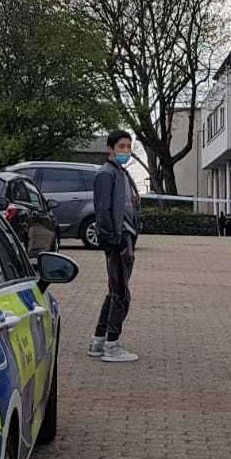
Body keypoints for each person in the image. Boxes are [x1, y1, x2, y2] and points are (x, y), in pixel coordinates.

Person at [89, 130, 141, 362]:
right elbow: (103, 210)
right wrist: (114, 240)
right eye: (121, 146)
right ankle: (112, 344)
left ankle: (99, 340)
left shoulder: (121, 174)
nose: (125, 151)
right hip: (118, 240)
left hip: (125, 237)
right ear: (110, 149)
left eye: (128, 147)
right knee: (121, 294)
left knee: (115, 292)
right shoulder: (106, 174)